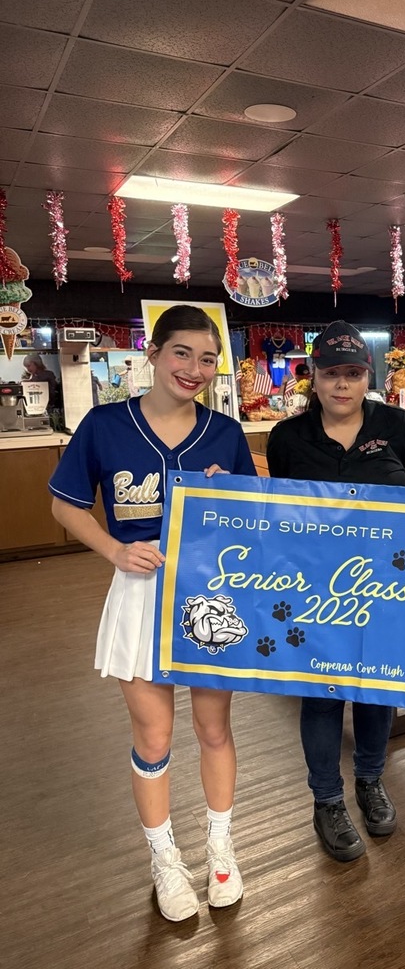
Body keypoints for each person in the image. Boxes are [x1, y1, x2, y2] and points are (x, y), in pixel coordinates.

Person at [49, 304, 256, 922]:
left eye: (207, 358)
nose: (194, 369)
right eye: (181, 353)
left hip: (212, 593)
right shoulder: (106, 425)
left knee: (214, 730)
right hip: (140, 596)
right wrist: (115, 549)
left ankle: (221, 845)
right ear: (154, 355)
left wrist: (230, 497)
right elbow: (65, 504)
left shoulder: (224, 433)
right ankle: (164, 857)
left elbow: (253, 517)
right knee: (155, 735)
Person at [266, 320, 405, 862]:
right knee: (320, 696)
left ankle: (369, 780)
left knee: (376, 689)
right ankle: (327, 801)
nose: (343, 384)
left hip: (386, 587)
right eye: (332, 373)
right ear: (312, 378)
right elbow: (275, 517)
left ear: (369, 378)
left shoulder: (403, 428)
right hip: (314, 590)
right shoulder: (288, 438)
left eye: (354, 373)